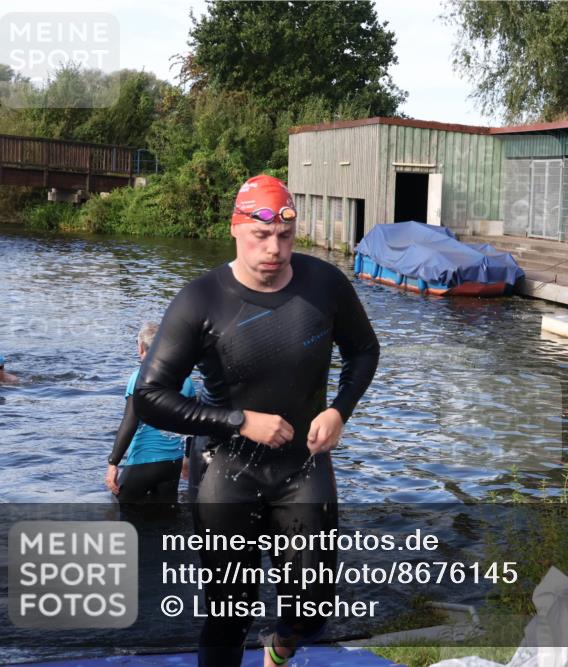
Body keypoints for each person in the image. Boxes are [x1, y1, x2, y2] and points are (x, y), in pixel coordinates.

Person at [133, 174, 379, 667]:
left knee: (312, 607)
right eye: (261, 236)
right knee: (229, 611)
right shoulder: (200, 300)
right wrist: (239, 421)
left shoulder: (324, 284)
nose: (275, 249)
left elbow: (364, 350)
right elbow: (148, 397)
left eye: (285, 237)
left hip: (302, 467)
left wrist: (339, 409)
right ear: (236, 230)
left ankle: (279, 648)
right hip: (226, 469)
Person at [106, 323, 196, 504]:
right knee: (165, 518)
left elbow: (129, 423)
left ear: (141, 348)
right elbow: (194, 425)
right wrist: (187, 458)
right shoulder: (186, 380)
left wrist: (113, 463)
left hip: (143, 462)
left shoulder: (139, 377)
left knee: (118, 510)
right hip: (172, 464)